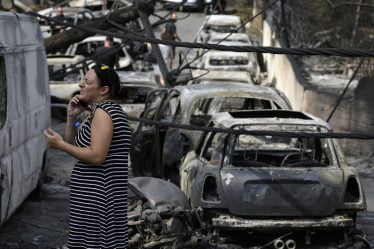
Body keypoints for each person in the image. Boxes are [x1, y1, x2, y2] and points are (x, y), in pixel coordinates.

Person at [44, 64, 131, 248]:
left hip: (98, 198)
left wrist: (59, 145)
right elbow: (74, 144)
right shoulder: (102, 112)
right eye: (82, 80)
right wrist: (71, 118)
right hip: (95, 196)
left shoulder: (103, 113)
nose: (81, 85)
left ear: (103, 90)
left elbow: (97, 156)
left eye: (87, 81)